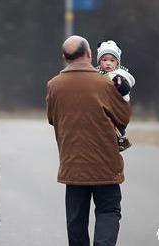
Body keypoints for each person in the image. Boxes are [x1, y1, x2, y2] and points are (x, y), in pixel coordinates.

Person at [46, 36, 132, 246]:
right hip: (105, 164)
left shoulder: (54, 86)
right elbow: (123, 117)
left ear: (65, 58)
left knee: (76, 219)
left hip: (73, 165)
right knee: (108, 210)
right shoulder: (105, 84)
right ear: (89, 55)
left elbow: (52, 118)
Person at [96, 40, 136, 151]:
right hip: (102, 106)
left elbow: (126, 89)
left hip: (117, 106)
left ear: (117, 63)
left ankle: (120, 138)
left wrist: (119, 83)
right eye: (104, 60)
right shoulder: (96, 74)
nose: (108, 63)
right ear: (99, 62)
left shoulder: (120, 75)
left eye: (112, 60)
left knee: (116, 124)